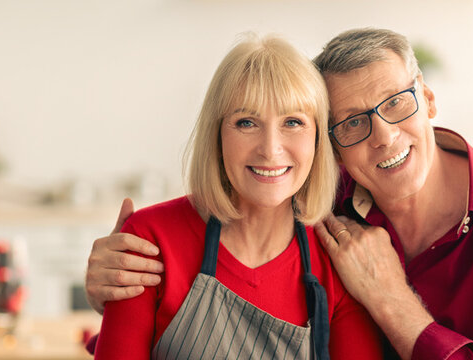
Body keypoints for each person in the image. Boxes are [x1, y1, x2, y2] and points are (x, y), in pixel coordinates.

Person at [85, 28, 473, 359]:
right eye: (351, 123)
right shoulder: (326, 204)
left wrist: (394, 301)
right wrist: (113, 292)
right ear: (331, 145)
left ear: (428, 99)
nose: (384, 136)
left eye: (397, 103)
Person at [93, 33, 383, 359]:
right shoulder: (148, 241)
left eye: (293, 122)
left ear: (318, 140)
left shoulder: (338, 263)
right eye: (246, 122)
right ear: (217, 135)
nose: (270, 149)